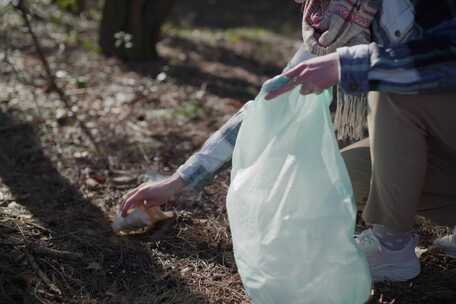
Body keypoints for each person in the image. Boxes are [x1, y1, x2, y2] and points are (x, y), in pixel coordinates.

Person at [120, 0, 456, 282]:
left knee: (394, 92)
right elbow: (269, 103)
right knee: (341, 174)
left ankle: (393, 246)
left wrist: (351, 65)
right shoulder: (334, 21)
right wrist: (179, 181)